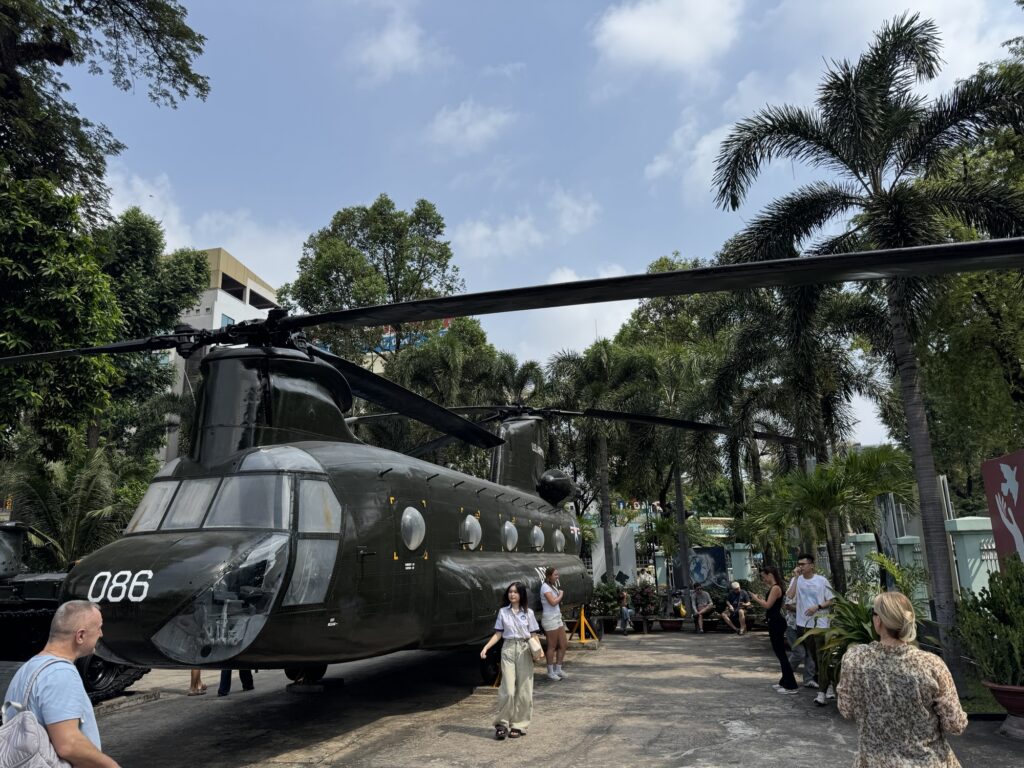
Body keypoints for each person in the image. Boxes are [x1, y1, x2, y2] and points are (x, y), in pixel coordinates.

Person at [837, 591, 967, 767]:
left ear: (878, 620)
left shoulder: (856, 659)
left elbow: (846, 709)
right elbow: (955, 724)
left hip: (874, 761)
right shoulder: (931, 665)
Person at [2, 600, 120, 767]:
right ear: (80, 636)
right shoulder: (60, 674)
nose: (101, 634)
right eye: (98, 628)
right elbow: (69, 745)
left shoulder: (27, 669)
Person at [480, 581, 540, 740]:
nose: (512, 594)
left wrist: (538, 652)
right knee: (508, 690)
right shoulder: (503, 612)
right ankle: (502, 724)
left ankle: (519, 725)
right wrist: (486, 647)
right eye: (510, 592)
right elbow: (498, 634)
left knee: (524, 690)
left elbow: (533, 634)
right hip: (507, 648)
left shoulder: (529, 613)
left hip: (524, 649)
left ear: (521, 595)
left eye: (515, 592)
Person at [787, 553, 835, 705]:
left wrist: (817, 606)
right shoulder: (797, 580)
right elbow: (790, 596)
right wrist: (795, 578)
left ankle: (822, 693)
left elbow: (831, 600)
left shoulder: (821, 581)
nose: (800, 567)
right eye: (799, 564)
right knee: (813, 658)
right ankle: (828, 685)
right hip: (803, 624)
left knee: (821, 658)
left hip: (820, 624)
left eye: (803, 564)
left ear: (811, 565)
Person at [751, 566, 799, 694]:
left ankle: (791, 685)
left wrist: (756, 599)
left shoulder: (776, 588)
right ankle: (784, 681)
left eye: (764, 576)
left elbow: (768, 605)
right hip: (774, 621)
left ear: (770, 574)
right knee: (780, 654)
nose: (763, 579)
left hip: (776, 622)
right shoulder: (774, 587)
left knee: (781, 654)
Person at [539, 567, 568, 681]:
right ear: (549, 576)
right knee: (552, 646)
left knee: (563, 644)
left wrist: (558, 593)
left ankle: (558, 669)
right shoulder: (545, 587)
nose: (557, 577)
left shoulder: (552, 586)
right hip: (549, 618)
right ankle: (550, 672)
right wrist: (561, 595)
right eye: (555, 575)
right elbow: (553, 602)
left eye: (557, 574)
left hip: (557, 617)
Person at [784, 583, 815, 686]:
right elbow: (787, 605)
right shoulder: (794, 584)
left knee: (810, 653)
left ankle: (809, 679)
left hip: (808, 625)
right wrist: (804, 609)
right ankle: (786, 677)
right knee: (799, 653)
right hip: (793, 625)